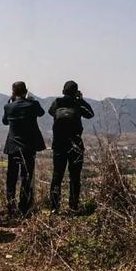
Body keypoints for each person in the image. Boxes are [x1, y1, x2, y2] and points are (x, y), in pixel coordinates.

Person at [48, 80, 94, 213]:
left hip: (58, 145)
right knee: (75, 177)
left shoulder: (57, 103)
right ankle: (73, 206)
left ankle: (54, 207)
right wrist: (81, 99)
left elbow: (51, 113)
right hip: (75, 145)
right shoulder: (78, 103)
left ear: (63, 90)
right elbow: (90, 115)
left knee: (57, 176)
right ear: (76, 91)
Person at [2, 81, 46, 218]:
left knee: (11, 177)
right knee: (26, 177)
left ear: (13, 92)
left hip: (12, 146)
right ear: (26, 91)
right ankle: (24, 207)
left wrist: (10, 101)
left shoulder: (8, 106)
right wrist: (31, 99)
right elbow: (42, 113)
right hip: (28, 147)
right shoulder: (33, 105)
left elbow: (4, 121)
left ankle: (11, 205)